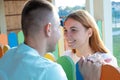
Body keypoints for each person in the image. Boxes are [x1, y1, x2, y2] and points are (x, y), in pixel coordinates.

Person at [0, 0, 68, 80]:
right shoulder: (50, 71)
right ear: (48, 29)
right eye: (58, 27)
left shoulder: (7, 57)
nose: (60, 34)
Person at [63, 10, 118, 80]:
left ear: (89, 32)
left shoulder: (106, 60)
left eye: (73, 30)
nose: (67, 35)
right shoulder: (66, 57)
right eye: (65, 30)